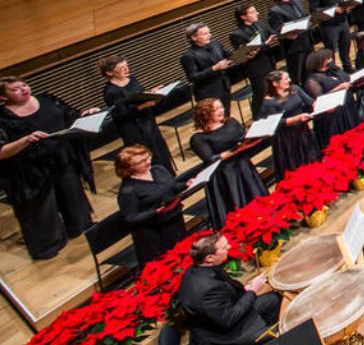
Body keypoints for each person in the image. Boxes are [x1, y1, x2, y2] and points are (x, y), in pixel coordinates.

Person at [0, 77, 95, 259]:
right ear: (3, 97)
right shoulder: (3, 117)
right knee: (42, 208)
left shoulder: (47, 99)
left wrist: (86, 114)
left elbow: (71, 116)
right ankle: (49, 244)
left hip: (61, 157)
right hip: (30, 171)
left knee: (72, 195)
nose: (23, 90)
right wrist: (25, 140)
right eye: (15, 89)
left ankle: (80, 225)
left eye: (24, 85)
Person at [178, 231, 281, 345]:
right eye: (224, 247)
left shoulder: (200, 269)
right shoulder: (206, 289)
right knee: (275, 331)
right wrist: (252, 291)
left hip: (225, 317)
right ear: (209, 257)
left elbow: (224, 298)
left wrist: (245, 290)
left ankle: (266, 333)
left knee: (274, 300)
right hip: (222, 337)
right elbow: (228, 319)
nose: (229, 247)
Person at [189, 99, 269, 229]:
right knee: (236, 203)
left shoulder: (231, 122)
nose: (222, 111)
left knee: (255, 196)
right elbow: (210, 158)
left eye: (221, 107)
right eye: (216, 109)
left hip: (243, 166)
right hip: (224, 174)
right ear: (205, 114)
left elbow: (244, 138)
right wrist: (234, 150)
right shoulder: (198, 138)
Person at [100, 54, 175, 172]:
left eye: (126, 66)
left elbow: (140, 94)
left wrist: (152, 93)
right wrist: (140, 107)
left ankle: (169, 177)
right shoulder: (111, 91)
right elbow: (118, 116)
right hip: (133, 129)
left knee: (159, 151)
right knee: (147, 155)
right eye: (122, 68)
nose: (126, 69)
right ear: (110, 73)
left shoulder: (132, 79)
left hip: (147, 122)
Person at [114, 144, 188, 264]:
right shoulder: (128, 191)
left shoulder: (158, 170)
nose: (148, 162)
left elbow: (172, 187)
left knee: (184, 255)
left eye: (148, 157)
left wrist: (185, 185)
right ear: (128, 168)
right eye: (141, 162)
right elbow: (130, 217)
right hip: (154, 233)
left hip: (174, 220)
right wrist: (154, 212)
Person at [260, 70, 321, 176]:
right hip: (287, 138)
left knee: (311, 157)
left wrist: (317, 106)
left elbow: (311, 101)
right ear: (275, 83)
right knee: (295, 165)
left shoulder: (295, 89)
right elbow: (276, 123)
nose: (289, 80)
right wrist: (297, 118)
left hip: (302, 131)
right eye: (286, 79)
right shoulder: (268, 103)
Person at [180, 22, 232, 118]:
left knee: (226, 115)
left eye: (209, 32)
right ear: (193, 38)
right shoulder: (189, 56)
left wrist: (245, 52)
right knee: (214, 120)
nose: (209, 35)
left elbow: (230, 56)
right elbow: (192, 77)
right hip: (208, 93)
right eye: (205, 34)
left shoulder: (216, 44)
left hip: (224, 87)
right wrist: (214, 68)